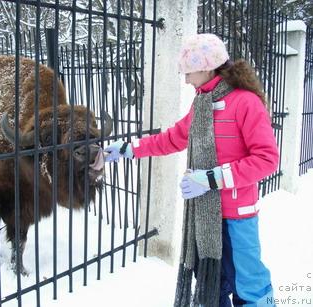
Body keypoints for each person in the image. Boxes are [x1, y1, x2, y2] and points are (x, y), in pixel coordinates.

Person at [104, 33, 279, 307]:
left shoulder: (246, 103)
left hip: (237, 217)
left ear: (207, 67)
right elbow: (172, 138)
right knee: (212, 284)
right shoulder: (201, 104)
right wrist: (130, 148)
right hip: (205, 215)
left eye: (188, 72)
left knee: (249, 285)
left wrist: (212, 179)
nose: (185, 80)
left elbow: (267, 159)